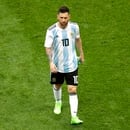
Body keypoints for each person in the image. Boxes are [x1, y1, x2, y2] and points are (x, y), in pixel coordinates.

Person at [44, 6, 84, 125]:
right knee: (57, 85)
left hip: (72, 65)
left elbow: (78, 39)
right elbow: (48, 47)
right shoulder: (51, 30)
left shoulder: (74, 27)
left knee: (72, 89)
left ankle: (74, 117)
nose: (63, 20)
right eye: (61, 17)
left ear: (69, 17)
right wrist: (51, 62)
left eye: (65, 17)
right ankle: (58, 101)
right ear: (57, 17)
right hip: (57, 66)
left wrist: (81, 53)